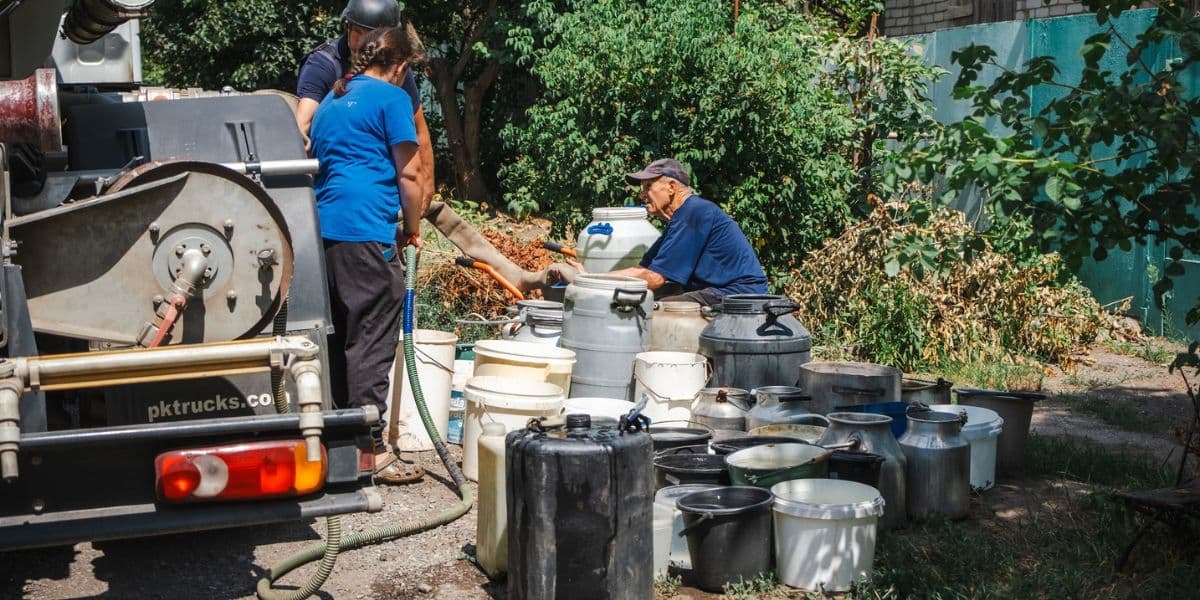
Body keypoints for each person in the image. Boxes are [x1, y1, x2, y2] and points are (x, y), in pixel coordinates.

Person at [310, 26, 427, 484]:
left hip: (322, 233)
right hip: (366, 231)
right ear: (398, 66)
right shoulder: (391, 99)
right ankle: (371, 448)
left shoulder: (329, 102)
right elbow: (412, 175)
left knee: (338, 338)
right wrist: (412, 229)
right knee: (373, 337)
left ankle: (339, 443)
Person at [569, 158, 768, 306]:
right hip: (717, 292)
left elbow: (655, 279)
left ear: (671, 187)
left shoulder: (695, 213)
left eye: (648, 186)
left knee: (654, 310)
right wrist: (594, 278)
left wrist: (592, 279)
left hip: (739, 296)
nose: (642, 194)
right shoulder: (679, 221)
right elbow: (643, 270)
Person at [296, 0, 433, 205]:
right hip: (328, 181)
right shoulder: (323, 64)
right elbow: (302, 124)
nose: (361, 42)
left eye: (370, 34)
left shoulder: (395, 68)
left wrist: (427, 183)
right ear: (348, 26)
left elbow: (418, 129)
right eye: (357, 31)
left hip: (379, 183)